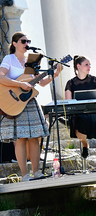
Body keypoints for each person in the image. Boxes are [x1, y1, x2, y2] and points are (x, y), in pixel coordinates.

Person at [0, 32, 62, 182]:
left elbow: (39, 83)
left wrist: (54, 74)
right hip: (15, 102)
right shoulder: (9, 59)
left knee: (35, 137)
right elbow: (1, 76)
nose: (26, 43)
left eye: (28, 41)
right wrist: (20, 84)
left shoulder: (31, 60)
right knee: (21, 139)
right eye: (23, 41)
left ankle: (37, 172)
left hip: (30, 101)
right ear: (15, 44)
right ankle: (25, 175)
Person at [65, 55, 96, 158]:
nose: (89, 66)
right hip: (79, 113)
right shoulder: (70, 83)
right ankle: (85, 144)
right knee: (78, 121)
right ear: (79, 66)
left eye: (89, 64)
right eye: (86, 64)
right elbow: (68, 102)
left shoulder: (94, 80)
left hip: (94, 112)